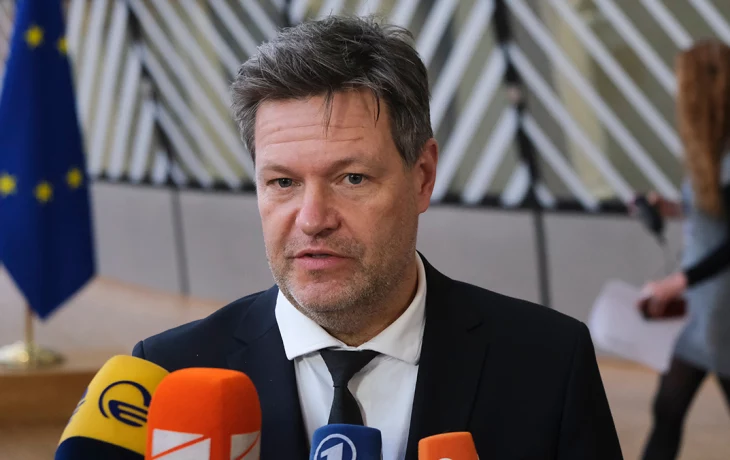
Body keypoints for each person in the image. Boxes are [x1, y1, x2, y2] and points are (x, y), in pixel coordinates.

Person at [133, 15, 622, 460]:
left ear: (422, 177)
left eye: (352, 178)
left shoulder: (547, 363)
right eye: (283, 182)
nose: (313, 220)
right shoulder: (166, 375)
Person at [637, 40, 730, 460]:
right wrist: (671, 208)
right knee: (667, 409)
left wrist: (677, 282)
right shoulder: (714, 149)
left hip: (718, 308)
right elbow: (715, 214)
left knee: (668, 408)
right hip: (707, 307)